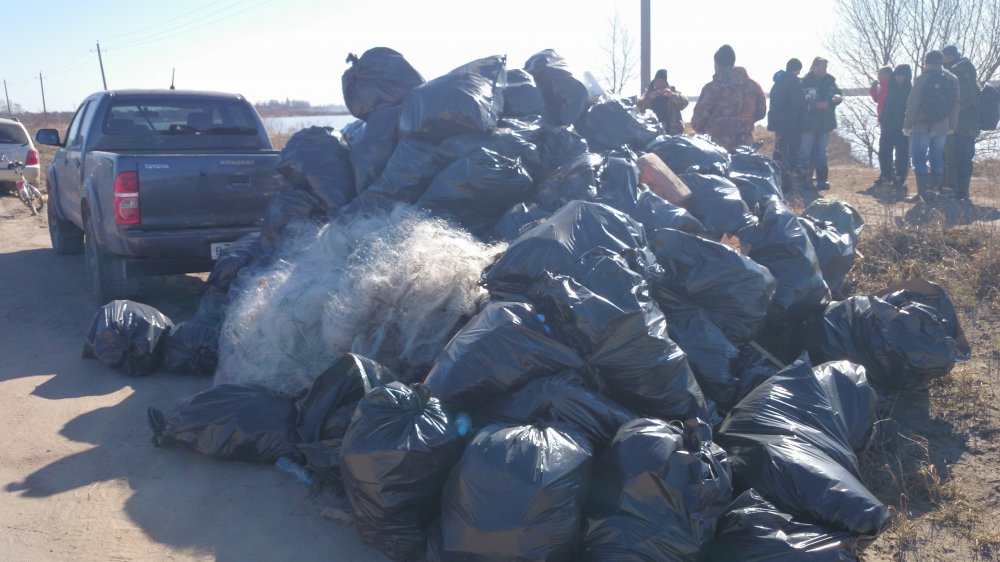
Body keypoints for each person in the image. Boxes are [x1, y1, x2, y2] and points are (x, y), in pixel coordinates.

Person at [903, 50, 960, 201]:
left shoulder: (923, 78)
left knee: (919, 159)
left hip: (922, 126)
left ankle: (923, 193)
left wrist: (907, 125)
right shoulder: (952, 78)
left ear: (927, 62)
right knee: (937, 158)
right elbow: (956, 104)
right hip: (943, 126)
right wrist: (952, 126)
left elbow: (913, 104)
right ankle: (935, 191)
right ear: (942, 62)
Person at [691, 44, 767, 152]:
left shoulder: (711, 89)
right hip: (745, 146)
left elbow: (697, 123)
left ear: (717, 64)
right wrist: (743, 122)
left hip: (717, 148)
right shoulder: (753, 86)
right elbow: (761, 112)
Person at [797, 57, 843, 190]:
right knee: (805, 152)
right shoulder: (804, 81)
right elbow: (800, 101)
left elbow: (838, 96)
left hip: (825, 123)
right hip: (808, 124)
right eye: (822, 67)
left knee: (821, 152)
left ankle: (822, 181)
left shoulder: (830, 80)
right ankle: (802, 181)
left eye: (826, 67)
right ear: (815, 66)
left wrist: (834, 100)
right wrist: (814, 105)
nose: (825, 70)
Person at [942, 44, 979, 200]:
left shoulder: (958, 73)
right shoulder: (968, 75)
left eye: (946, 57)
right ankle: (959, 191)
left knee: (957, 158)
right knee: (961, 158)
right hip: (967, 125)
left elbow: (960, 101)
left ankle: (957, 191)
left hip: (961, 125)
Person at [766, 58, 805, 190]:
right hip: (790, 123)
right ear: (796, 69)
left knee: (779, 150)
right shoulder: (794, 82)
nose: (799, 73)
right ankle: (787, 182)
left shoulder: (778, 82)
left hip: (777, 122)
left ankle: (775, 178)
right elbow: (798, 102)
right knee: (790, 152)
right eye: (798, 71)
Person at [877, 64, 912, 191]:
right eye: (897, 75)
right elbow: (886, 105)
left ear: (907, 76)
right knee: (884, 151)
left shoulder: (910, 90)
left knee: (902, 153)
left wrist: (908, 124)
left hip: (903, 127)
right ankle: (886, 175)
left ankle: (900, 177)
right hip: (888, 126)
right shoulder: (891, 88)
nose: (898, 78)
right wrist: (882, 118)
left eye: (901, 75)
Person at [639, 68, 688, 135]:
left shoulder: (672, 91)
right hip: (652, 130)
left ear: (665, 82)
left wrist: (671, 95)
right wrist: (649, 98)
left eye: (662, 81)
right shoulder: (648, 94)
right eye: (658, 81)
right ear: (654, 82)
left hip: (672, 131)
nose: (660, 84)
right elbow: (639, 108)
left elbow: (685, 103)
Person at [870, 65, 893, 186]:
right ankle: (887, 173)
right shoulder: (882, 86)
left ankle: (886, 174)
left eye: (880, 74)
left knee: (884, 148)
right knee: (886, 148)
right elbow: (877, 99)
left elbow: (880, 100)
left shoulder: (888, 86)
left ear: (886, 75)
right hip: (884, 119)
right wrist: (873, 88)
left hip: (887, 120)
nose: (878, 76)